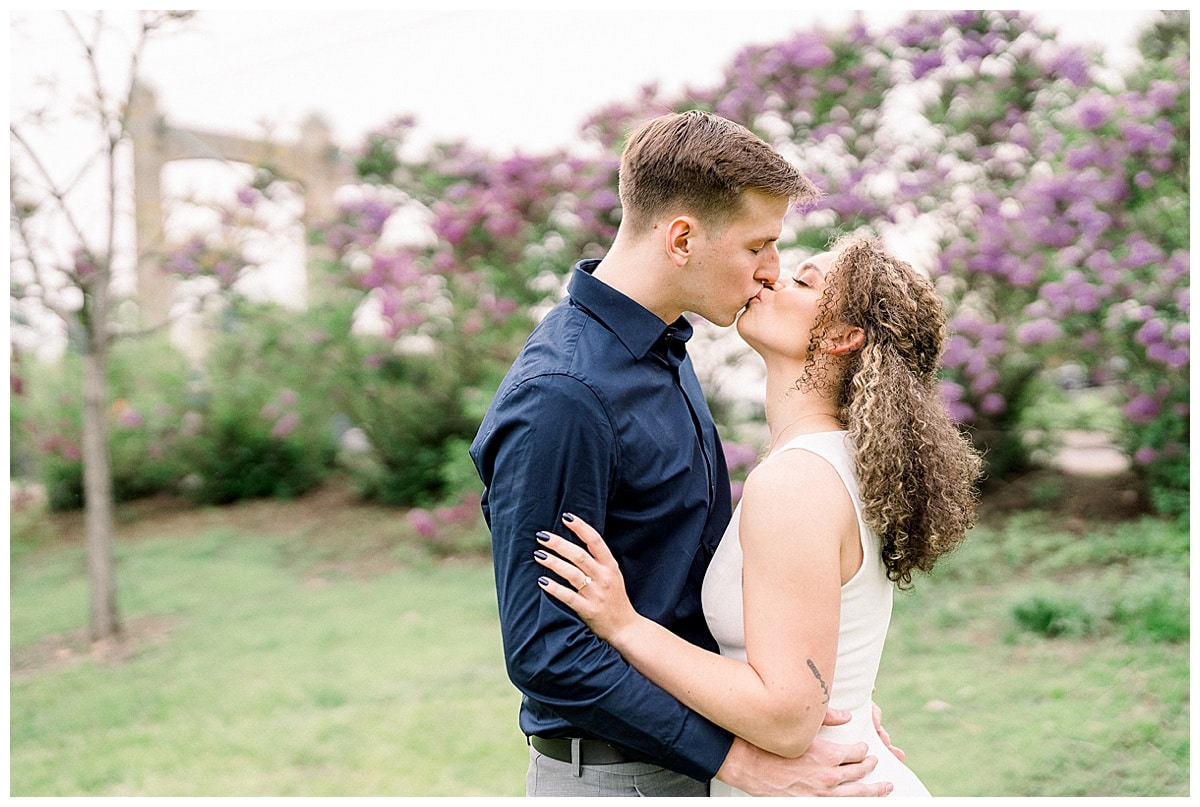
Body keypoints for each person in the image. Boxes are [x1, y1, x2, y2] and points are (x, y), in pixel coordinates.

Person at [470, 111, 900, 797]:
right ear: (681, 238)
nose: (772, 270)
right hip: (621, 778)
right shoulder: (563, 394)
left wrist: (815, 699)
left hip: (702, 756)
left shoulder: (667, 348)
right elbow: (547, 650)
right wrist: (735, 758)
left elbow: (688, 579)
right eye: (759, 245)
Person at [534, 234, 984, 797]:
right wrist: (850, 701)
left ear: (844, 337)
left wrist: (625, 626)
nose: (772, 277)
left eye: (804, 280)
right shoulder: (838, 460)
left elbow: (787, 717)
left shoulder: (796, 480)